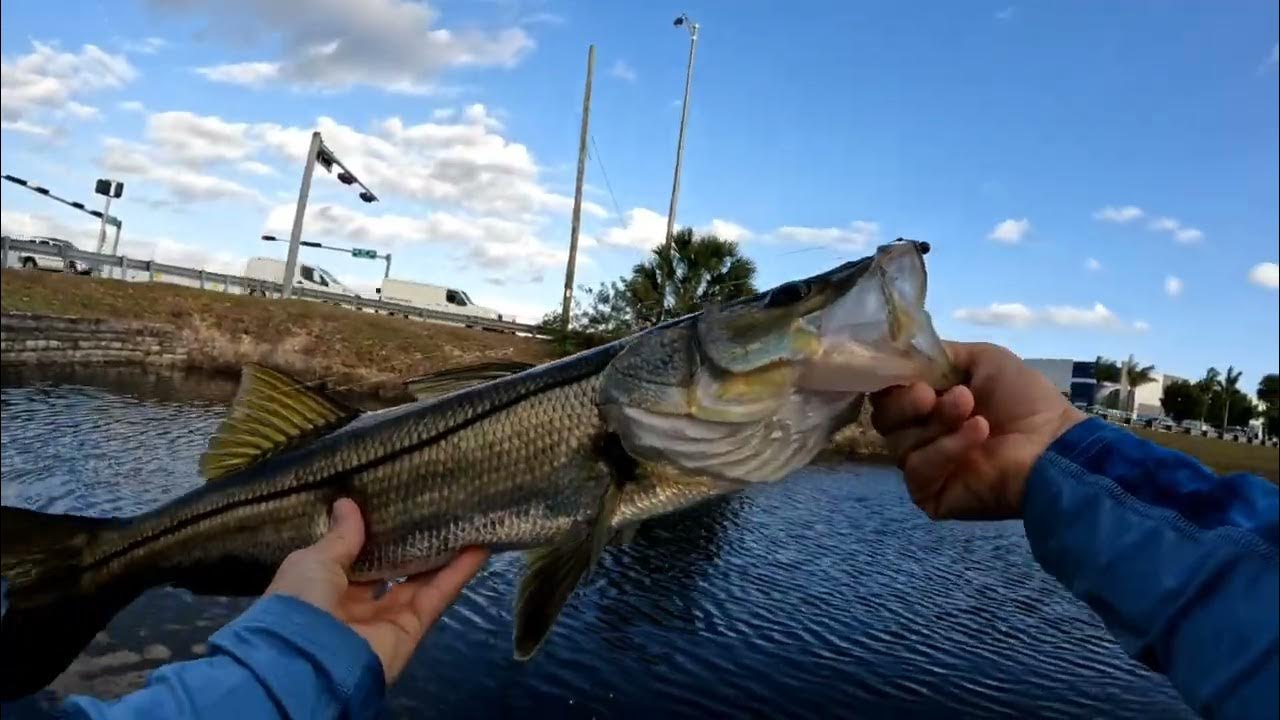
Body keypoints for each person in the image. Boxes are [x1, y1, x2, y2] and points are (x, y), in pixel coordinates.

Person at [61, 340, 1276, 719]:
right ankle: (80, 566)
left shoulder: (641, 445)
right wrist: (1066, 456)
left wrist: (1062, 459)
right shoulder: (607, 422)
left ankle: (92, 565)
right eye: (768, 334)